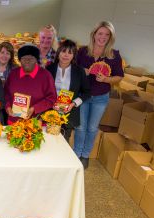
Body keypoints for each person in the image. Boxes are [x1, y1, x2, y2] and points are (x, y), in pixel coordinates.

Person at [75, 21, 124, 169]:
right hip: (83, 96)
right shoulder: (82, 51)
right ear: (94, 34)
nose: (103, 37)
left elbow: (119, 76)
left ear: (110, 37)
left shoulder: (114, 55)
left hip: (101, 97)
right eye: (100, 33)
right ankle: (76, 154)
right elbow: (73, 69)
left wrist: (107, 79)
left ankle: (85, 155)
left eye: (107, 34)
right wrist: (82, 71)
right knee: (80, 127)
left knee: (92, 128)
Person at [45, 39, 91, 142]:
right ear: (58, 53)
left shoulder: (79, 71)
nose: (66, 55)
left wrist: (74, 103)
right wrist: (49, 102)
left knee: (63, 142)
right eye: (63, 51)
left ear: (74, 56)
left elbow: (87, 92)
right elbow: (43, 90)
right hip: (50, 111)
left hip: (69, 113)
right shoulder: (49, 69)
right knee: (48, 140)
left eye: (70, 53)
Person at [4, 44, 56, 124]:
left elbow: (51, 98)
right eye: (24, 58)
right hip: (14, 121)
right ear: (19, 60)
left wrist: (34, 108)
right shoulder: (13, 74)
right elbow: (6, 94)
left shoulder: (45, 75)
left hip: (36, 122)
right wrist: (7, 107)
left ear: (36, 60)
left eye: (31, 58)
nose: (27, 61)